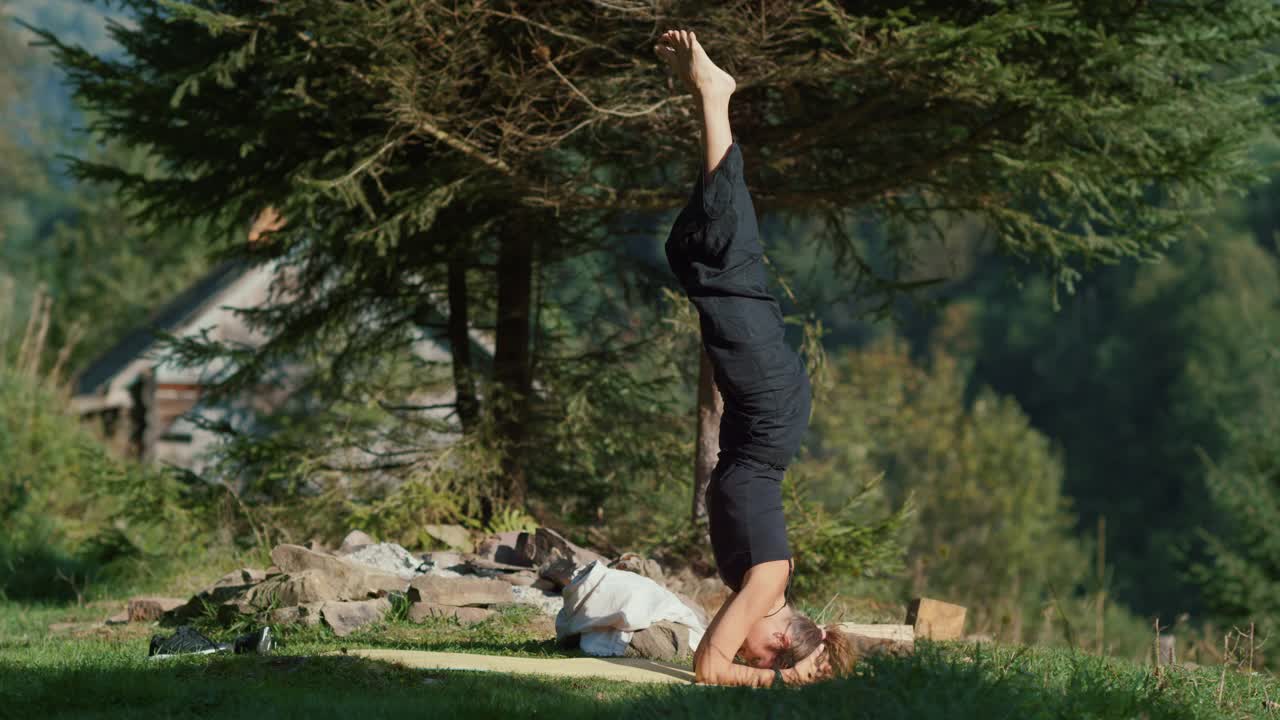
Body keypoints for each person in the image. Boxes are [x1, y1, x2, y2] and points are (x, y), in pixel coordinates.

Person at [654, 29, 855, 688]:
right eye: (761, 656)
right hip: (769, 409)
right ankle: (715, 97)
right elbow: (708, 671)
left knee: (696, 258)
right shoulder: (768, 577)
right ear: (781, 637)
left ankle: (711, 103)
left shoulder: (756, 579)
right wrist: (786, 684)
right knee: (727, 269)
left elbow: (718, 663)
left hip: (764, 413)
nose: (746, 652)